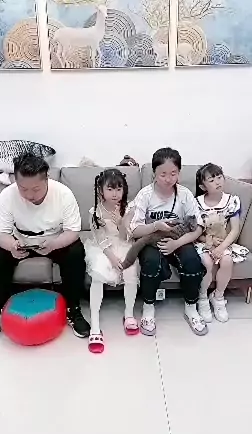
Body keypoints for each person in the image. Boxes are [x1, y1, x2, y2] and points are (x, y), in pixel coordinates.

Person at [0, 153, 89, 340]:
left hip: (54, 240)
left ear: (46, 178)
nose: (30, 195)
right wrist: (12, 245)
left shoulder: (63, 194)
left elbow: (73, 231)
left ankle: (73, 309)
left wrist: (55, 244)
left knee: (75, 251)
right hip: (21, 241)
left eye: (36, 189)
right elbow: (0, 234)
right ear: (15, 181)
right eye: (23, 189)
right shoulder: (7, 195)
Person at [130, 147, 206, 336]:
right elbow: (135, 229)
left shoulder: (185, 194)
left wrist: (176, 244)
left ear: (179, 172)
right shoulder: (145, 195)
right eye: (163, 174)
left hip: (179, 238)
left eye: (173, 173)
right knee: (151, 262)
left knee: (192, 261)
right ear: (154, 173)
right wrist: (155, 226)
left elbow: (198, 227)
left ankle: (191, 308)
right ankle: (148, 308)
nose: (168, 179)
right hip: (151, 239)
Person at [84, 169, 139, 354]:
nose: (115, 193)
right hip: (104, 249)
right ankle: (95, 324)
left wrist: (121, 222)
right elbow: (100, 239)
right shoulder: (95, 211)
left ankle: (129, 314)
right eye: (110, 189)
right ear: (101, 190)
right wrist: (112, 257)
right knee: (98, 274)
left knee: (130, 272)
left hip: (124, 244)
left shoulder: (129, 209)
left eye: (119, 189)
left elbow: (127, 237)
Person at [195, 163, 249, 323]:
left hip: (224, 242)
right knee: (206, 262)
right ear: (202, 186)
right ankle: (202, 298)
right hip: (204, 242)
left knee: (227, 261)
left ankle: (218, 297)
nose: (217, 182)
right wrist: (208, 241)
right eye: (211, 180)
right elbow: (195, 233)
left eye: (219, 177)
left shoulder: (231, 201)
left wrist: (221, 247)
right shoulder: (197, 203)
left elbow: (235, 230)